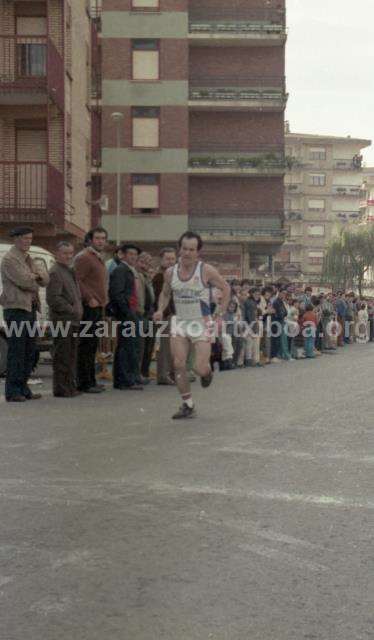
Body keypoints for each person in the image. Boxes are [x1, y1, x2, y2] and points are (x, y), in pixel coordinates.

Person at [154, 231, 230, 419]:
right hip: (180, 322)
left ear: (198, 252)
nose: (187, 253)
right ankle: (188, 404)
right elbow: (165, 293)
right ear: (180, 249)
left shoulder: (206, 270)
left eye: (191, 249)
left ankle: (207, 372)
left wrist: (220, 312)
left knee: (197, 367)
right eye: (184, 248)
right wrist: (160, 309)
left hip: (201, 323)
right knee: (178, 364)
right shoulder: (170, 272)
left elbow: (226, 288)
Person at [0, 227, 49, 402]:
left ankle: (23, 387)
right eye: (25, 238)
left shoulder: (29, 258)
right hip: (16, 309)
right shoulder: (9, 259)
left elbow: (45, 279)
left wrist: (35, 276)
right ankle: (13, 391)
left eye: (30, 238)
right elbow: (24, 281)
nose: (28, 241)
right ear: (16, 239)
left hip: (30, 309)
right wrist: (35, 276)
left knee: (30, 351)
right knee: (17, 351)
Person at [74, 226, 109, 393]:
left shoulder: (98, 257)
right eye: (98, 238)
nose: (101, 241)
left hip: (98, 307)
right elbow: (77, 280)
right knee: (86, 345)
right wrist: (89, 298)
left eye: (103, 238)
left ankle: (91, 381)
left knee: (93, 345)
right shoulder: (84, 257)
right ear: (90, 240)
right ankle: (84, 383)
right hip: (89, 307)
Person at [46, 242, 83, 397]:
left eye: (71, 253)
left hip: (72, 320)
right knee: (62, 355)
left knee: (70, 355)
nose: (69, 256)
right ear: (57, 254)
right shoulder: (55, 272)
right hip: (62, 320)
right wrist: (72, 309)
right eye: (65, 253)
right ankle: (62, 389)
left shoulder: (68, 270)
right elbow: (53, 298)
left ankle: (69, 386)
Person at [109, 243, 144, 390]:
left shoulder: (129, 270)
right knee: (126, 347)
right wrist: (127, 313)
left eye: (135, 255)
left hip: (131, 313)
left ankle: (128, 378)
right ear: (122, 255)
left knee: (130, 345)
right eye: (130, 254)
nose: (133, 257)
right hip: (126, 315)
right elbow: (117, 294)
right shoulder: (120, 270)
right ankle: (124, 380)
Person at [152, 247, 177, 385]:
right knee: (164, 348)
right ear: (161, 260)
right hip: (164, 315)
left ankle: (172, 373)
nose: (170, 261)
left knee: (173, 347)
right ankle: (163, 375)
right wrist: (162, 312)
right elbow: (158, 297)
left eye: (173, 258)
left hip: (173, 315)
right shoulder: (159, 276)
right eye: (167, 259)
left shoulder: (173, 275)